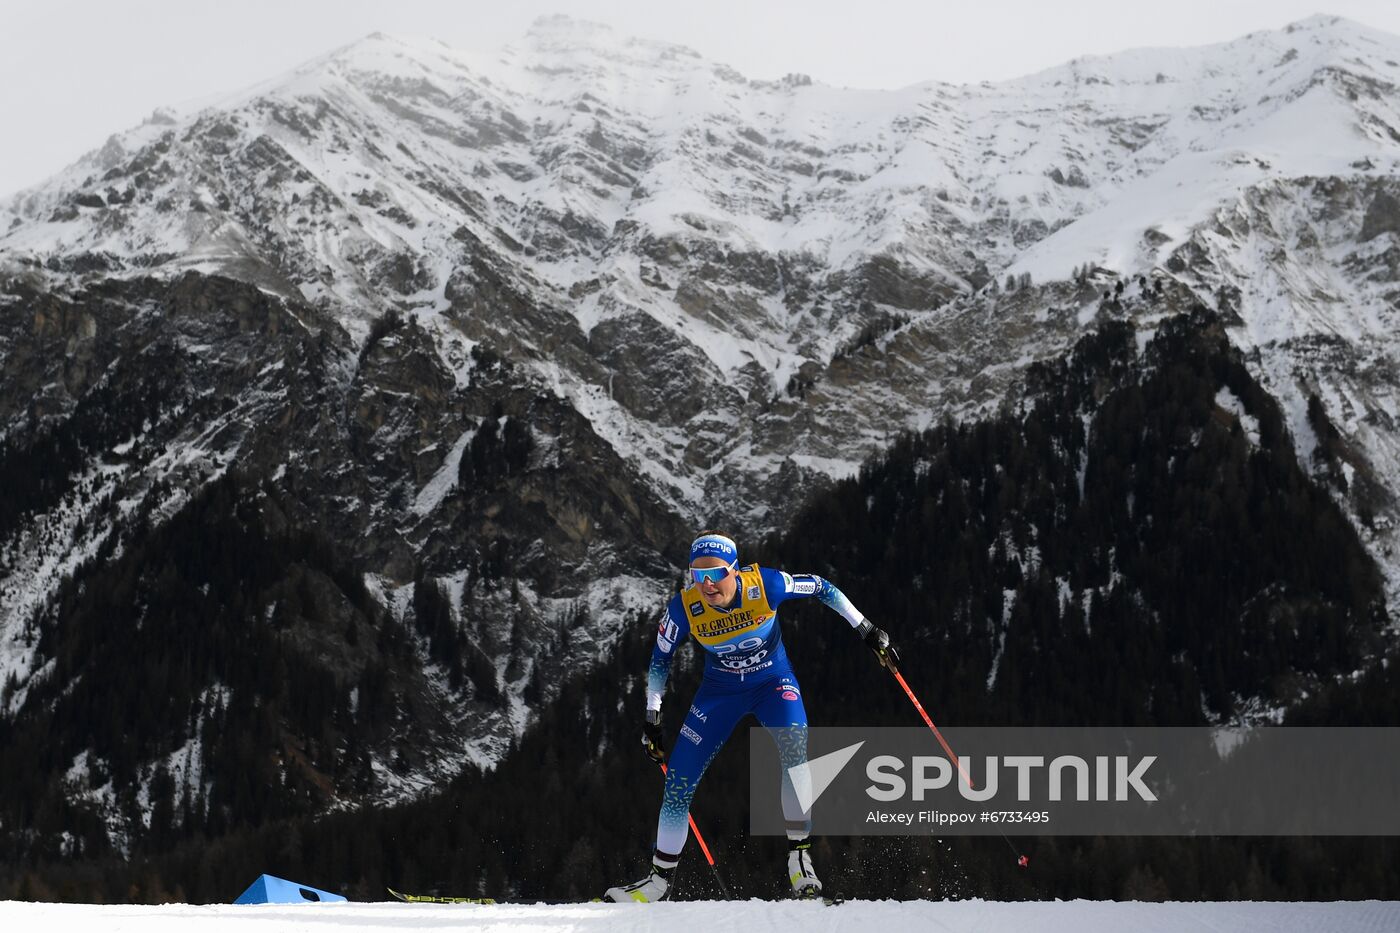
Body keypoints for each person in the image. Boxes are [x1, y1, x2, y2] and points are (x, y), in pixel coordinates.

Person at [604, 531, 898, 902]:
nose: (708, 585)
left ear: (736, 571)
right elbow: (660, 659)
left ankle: (800, 858)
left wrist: (867, 629)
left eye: (717, 574)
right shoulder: (684, 608)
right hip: (719, 693)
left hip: (772, 683)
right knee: (677, 783)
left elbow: (823, 587)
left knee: (795, 751)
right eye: (698, 576)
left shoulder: (767, 585)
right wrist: (652, 717)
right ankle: (658, 882)